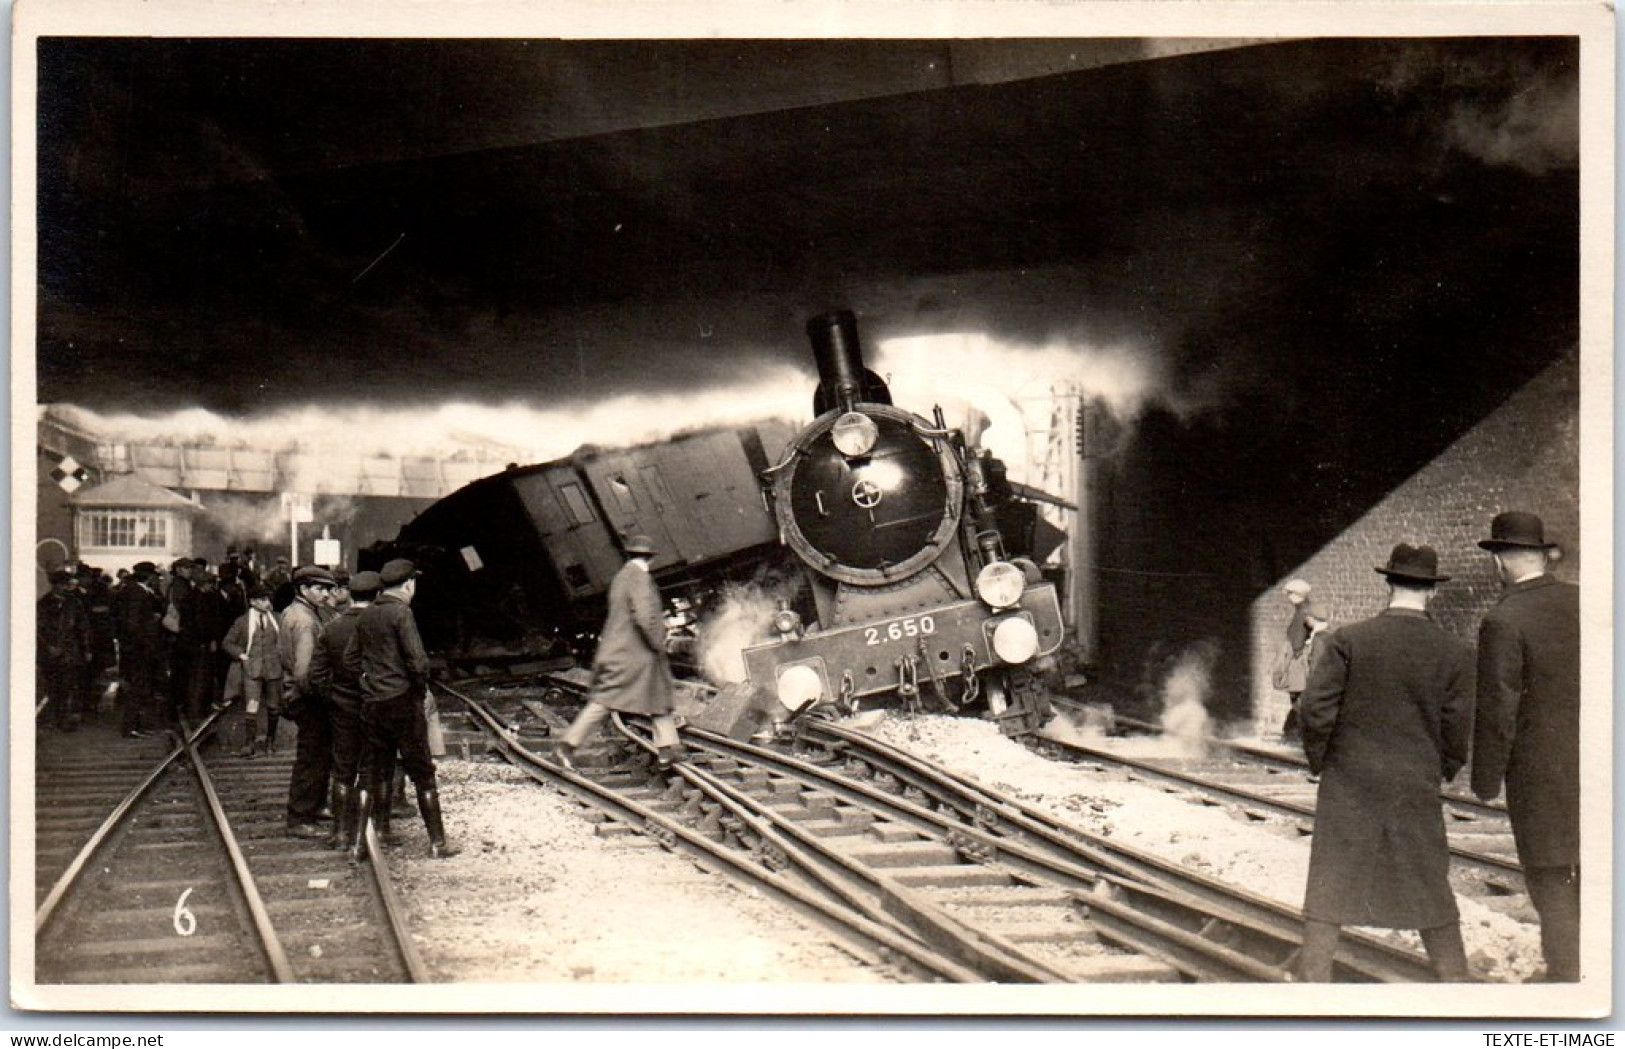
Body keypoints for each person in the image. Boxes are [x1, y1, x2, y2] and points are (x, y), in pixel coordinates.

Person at [1294, 543, 1472, 982]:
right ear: (1430, 591)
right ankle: (1457, 983)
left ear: (1388, 583)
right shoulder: (1454, 651)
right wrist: (1440, 768)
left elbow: (1314, 711)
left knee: (1330, 883)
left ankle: (1312, 983)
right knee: (1429, 880)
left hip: (1349, 781)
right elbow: (1457, 727)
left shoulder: (1347, 641)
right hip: (1414, 781)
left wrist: (1323, 763)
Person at [1471, 511, 1580, 983]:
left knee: (1549, 873)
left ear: (1502, 560)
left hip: (1540, 771)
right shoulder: (1585, 601)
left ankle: (1565, 975)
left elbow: (1499, 707)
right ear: (1540, 553)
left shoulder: (1504, 619)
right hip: (1598, 763)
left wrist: (1485, 777)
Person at [348, 558, 459, 860]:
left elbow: (350, 659)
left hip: (373, 705)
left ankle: (358, 845)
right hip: (402, 703)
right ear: (409, 584)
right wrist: (418, 689)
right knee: (422, 771)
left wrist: (369, 682)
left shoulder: (367, 615)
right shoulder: (402, 613)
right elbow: (418, 661)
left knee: (371, 773)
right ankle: (438, 843)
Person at [556, 535, 685, 771]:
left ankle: (668, 749)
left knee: (657, 693)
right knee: (605, 702)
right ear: (651, 558)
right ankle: (567, 745)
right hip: (631, 653)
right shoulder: (640, 578)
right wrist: (659, 641)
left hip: (624, 651)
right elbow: (645, 616)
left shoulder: (622, 576)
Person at [311, 570, 378, 850]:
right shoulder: (381, 626)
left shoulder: (332, 627)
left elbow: (316, 675)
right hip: (374, 705)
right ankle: (361, 836)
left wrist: (334, 696)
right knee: (369, 769)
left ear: (350, 594)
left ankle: (339, 833)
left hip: (341, 706)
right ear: (376, 596)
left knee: (342, 769)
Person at [280, 565, 338, 838]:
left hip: (299, 693)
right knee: (311, 757)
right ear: (304, 590)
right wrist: (323, 696)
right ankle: (300, 817)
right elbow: (304, 671)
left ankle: (313, 806)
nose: (326, 594)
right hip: (308, 697)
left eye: (328, 589)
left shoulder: (294, 612)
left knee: (317, 753)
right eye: (320, 589)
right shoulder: (305, 621)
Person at [221, 585, 284, 757]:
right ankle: (249, 743)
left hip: (274, 669)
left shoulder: (277, 619)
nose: (267, 603)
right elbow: (227, 643)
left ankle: (271, 741)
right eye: (263, 600)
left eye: (268, 599)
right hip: (252, 670)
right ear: (252, 602)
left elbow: (285, 641)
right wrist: (242, 656)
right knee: (252, 705)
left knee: (274, 707)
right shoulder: (242, 622)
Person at [113, 562, 166, 738]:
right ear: (148, 576)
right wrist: (152, 622)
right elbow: (133, 623)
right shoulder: (138, 592)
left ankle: (136, 725)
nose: (155, 579)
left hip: (136, 647)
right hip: (140, 649)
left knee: (139, 687)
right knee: (138, 687)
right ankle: (132, 727)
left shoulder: (132, 590)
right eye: (153, 576)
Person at [37, 569, 92, 732]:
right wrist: (48, 646)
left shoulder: (74, 602)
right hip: (49, 652)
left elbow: (83, 628)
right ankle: (54, 718)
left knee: (68, 685)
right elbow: (39, 629)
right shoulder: (43, 604)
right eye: (61, 585)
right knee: (52, 686)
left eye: (66, 585)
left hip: (70, 651)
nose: (64, 588)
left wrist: (86, 649)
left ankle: (64, 719)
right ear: (54, 585)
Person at [1273, 596, 1332, 744]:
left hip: (1309, 686)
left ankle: (1295, 742)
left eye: (1308, 617)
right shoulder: (1327, 637)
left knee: (1301, 713)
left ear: (1313, 619)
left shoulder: (1319, 639)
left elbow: (1315, 665)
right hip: (1312, 686)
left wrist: (1309, 688)